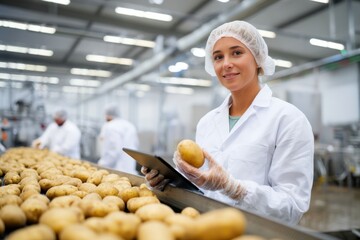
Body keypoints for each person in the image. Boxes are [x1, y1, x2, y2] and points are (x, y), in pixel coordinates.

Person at [141, 20, 314, 225]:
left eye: (237, 53)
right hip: (206, 227)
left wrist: (235, 189)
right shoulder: (207, 122)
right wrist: (170, 182)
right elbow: (204, 187)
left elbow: (292, 208)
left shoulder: (288, 119)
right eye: (218, 57)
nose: (226, 64)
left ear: (257, 58)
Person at [97, 105, 139, 175]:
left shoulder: (110, 126)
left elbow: (113, 151)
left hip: (116, 170)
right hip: (130, 169)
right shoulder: (130, 125)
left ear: (108, 115)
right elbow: (136, 145)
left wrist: (102, 163)